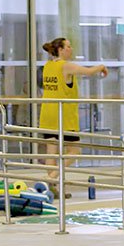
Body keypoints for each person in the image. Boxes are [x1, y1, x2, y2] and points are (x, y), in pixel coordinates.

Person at [37, 37, 108, 194]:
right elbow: (88, 72)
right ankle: (52, 178)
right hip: (63, 116)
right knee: (75, 151)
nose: (71, 49)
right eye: (68, 46)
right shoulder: (66, 66)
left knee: (51, 151)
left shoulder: (48, 66)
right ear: (60, 50)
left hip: (48, 113)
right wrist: (101, 66)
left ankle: (51, 189)